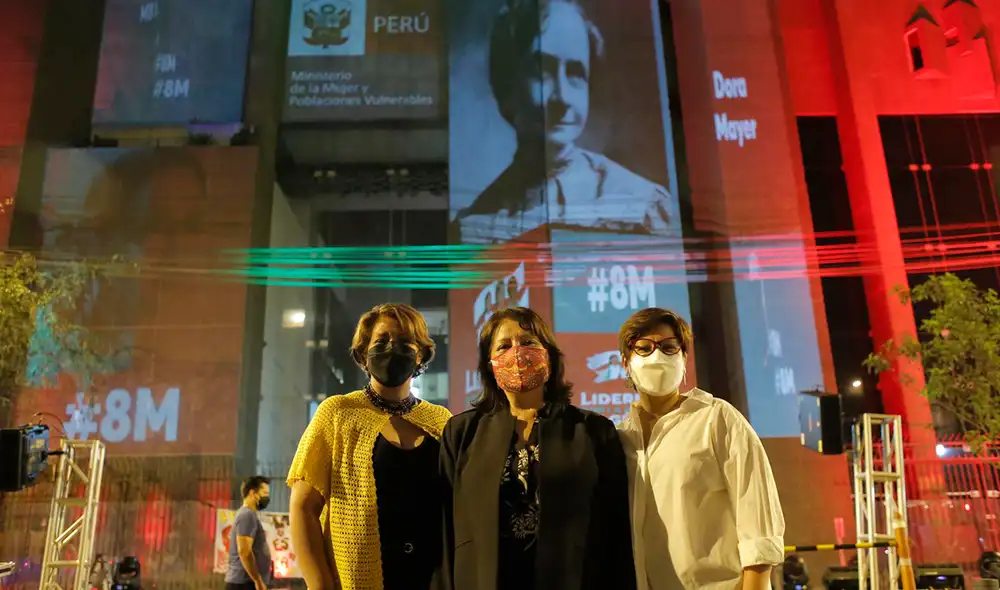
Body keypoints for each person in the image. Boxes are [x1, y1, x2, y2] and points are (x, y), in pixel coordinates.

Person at [436, 307, 636, 590]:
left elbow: (616, 530)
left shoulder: (593, 430)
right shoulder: (461, 433)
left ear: (549, 357)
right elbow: (444, 531)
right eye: (504, 346)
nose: (517, 352)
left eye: (528, 342)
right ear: (489, 364)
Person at [453, 0, 676, 244]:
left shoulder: (639, 203)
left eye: (575, 73)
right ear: (507, 86)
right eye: (542, 71)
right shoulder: (474, 226)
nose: (563, 97)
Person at [615, 308, 785, 590]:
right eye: (643, 348)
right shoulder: (619, 439)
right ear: (625, 362)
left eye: (669, 347)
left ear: (683, 358)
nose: (657, 357)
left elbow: (759, 525)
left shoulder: (718, 419)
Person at [288, 303, 452, 590]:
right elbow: (303, 508)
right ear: (363, 354)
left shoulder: (441, 421)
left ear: (421, 355)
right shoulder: (337, 413)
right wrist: (320, 584)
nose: (392, 348)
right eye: (382, 341)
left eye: (404, 342)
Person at [226, 476, 273, 590]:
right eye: (264, 493)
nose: (267, 497)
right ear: (253, 493)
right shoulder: (247, 515)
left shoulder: (248, 515)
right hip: (244, 583)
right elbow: (244, 551)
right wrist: (257, 580)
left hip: (246, 582)